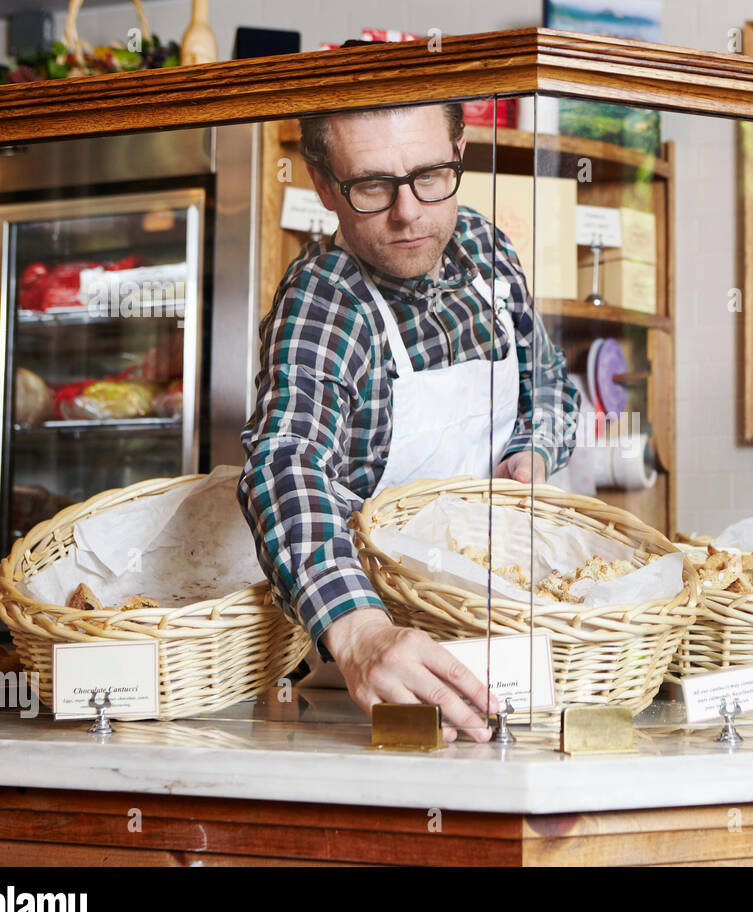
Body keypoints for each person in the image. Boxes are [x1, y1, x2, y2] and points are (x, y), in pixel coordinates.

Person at [238, 102, 580, 743]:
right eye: (371, 186)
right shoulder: (323, 298)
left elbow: (553, 387)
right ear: (322, 185)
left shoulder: (486, 251)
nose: (409, 212)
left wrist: (531, 449)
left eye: (430, 175)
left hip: (508, 632)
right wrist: (360, 630)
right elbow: (286, 459)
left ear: (460, 149)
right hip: (386, 663)